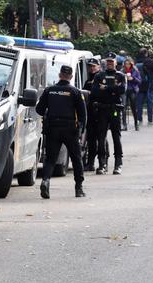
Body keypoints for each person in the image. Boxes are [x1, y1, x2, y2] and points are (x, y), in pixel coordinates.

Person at [35, 65, 87, 199]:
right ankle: (79, 188)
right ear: (70, 76)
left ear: (59, 75)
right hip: (70, 129)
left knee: (51, 158)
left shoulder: (49, 90)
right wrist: (81, 130)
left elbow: (39, 110)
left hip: (53, 128)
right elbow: (83, 114)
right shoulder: (75, 92)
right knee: (76, 158)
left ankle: (45, 181)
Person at [91, 52, 125, 175]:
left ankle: (118, 164)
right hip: (102, 109)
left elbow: (122, 90)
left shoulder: (120, 75)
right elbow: (94, 91)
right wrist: (112, 89)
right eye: (108, 61)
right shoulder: (99, 75)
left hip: (115, 109)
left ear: (116, 62)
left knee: (117, 137)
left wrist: (105, 88)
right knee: (101, 138)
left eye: (112, 61)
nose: (110, 63)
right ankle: (102, 164)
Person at [82, 58, 101, 171]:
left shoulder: (101, 78)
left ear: (98, 67)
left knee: (101, 139)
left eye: (94, 66)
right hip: (90, 112)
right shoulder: (88, 80)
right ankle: (91, 163)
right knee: (91, 139)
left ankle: (103, 163)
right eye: (90, 66)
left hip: (100, 112)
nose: (92, 68)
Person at [135, 48, 153, 126]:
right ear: (146, 53)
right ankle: (150, 121)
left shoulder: (136, 62)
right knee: (149, 103)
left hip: (139, 85)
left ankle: (139, 121)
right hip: (149, 84)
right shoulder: (150, 61)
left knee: (139, 103)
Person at [122, 57, 142, 131]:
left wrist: (133, 79)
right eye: (126, 64)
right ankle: (124, 125)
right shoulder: (122, 71)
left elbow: (139, 81)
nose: (127, 65)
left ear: (131, 64)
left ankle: (136, 123)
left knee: (133, 107)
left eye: (128, 64)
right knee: (123, 107)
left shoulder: (135, 70)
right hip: (124, 90)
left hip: (132, 90)